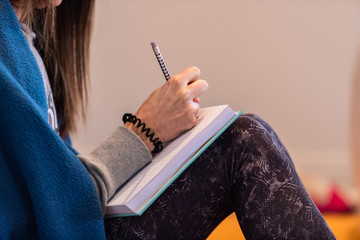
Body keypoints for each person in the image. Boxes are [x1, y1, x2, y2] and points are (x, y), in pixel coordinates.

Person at [0, 0, 336, 239]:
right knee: (246, 144)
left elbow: (55, 180)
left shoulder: (27, 41)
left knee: (245, 136)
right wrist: (143, 132)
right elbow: (48, 202)